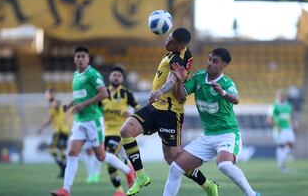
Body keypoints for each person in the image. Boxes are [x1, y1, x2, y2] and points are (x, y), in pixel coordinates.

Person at [120, 28, 217, 196]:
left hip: (170, 113)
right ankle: (141, 176)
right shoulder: (176, 52)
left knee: (173, 161)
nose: (167, 42)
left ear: (180, 46)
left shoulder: (178, 57)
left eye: (171, 41)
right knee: (126, 131)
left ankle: (208, 185)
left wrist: (160, 91)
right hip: (155, 107)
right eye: (168, 38)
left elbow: (173, 80)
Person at [163, 48, 260, 196]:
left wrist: (223, 92)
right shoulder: (199, 77)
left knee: (224, 165)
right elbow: (181, 95)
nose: (210, 63)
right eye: (209, 59)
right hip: (208, 136)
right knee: (175, 168)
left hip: (227, 134)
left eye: (215, 61)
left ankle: (252, 194)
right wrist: (181, 81)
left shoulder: (226, 82)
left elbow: (236, 99)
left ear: (224, 65)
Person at [51, 46, 134, 196]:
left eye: (83, 56)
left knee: (101, 156)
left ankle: (129, 171)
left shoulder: (93, 74)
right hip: (79, 121)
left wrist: (83, 105)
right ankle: (66, 190)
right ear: (74, 59)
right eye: (78, 56)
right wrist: (69, 105)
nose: (80, 59)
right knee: (71, 153)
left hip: (93, 120)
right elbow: (79, 96)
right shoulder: (76, 75)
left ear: (88, 59)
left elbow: (104, 94)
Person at [101, 66, 139, 196]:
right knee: (110, 162)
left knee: (109, 154)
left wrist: (131, 113)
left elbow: (138, 108)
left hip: (119, 131)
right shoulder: (103, 93)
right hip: (105, 132)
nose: (116, 77)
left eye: (119, 75)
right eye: (114, 75)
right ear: (110, 77)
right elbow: (96, 110)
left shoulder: (127, 93)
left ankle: (128, 173)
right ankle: (120, 190)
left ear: (122, 79)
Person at [37, 88, 69, 178]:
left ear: (51, 94)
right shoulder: (51, 105)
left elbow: (57, 104)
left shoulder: (55, 103)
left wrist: (54, 102)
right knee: (62, 151)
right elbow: (50, 120)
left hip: (59, 131)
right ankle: (64, 170)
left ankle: (64, 167)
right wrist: (41, 127)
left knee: (52, 150)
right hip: (64, 130)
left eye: (47, 94)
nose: (46, 96)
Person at [271, 90, 296, 171]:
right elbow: (270, 118)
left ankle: (282, 159)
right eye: (279, 96)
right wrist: (276, 126)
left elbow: (290, 116)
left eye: (282, 95)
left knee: (291, 144)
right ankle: (281, 164)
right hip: (280, 128)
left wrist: (293, 124)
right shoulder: (275, 106)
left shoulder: (288, 105)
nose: (281, 97)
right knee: (282, 145)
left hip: (288, 128)